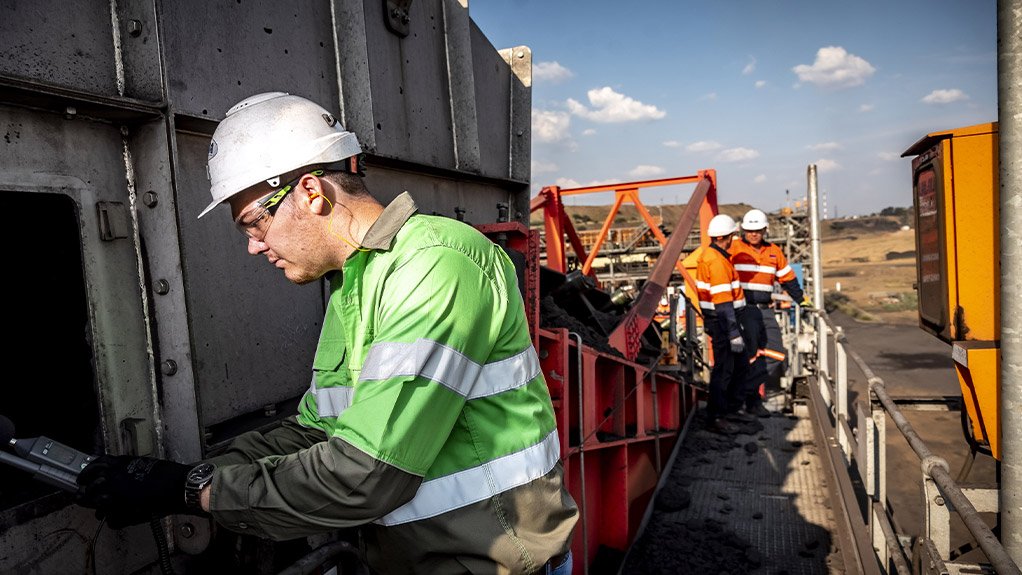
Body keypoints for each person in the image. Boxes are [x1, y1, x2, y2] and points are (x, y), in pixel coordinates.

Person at [76, 92, 578, 574]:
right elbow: (317, 430)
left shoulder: (436, 264)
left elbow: (368, 474)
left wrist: (194, 491)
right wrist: (183, 472)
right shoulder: (353, 286)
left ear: (311, 192)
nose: (254, 247)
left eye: (255, 224)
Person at [730, 208, 810, 414]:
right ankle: (752, 402)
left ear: (765, 229)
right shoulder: (734, 248)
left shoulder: (774, 252)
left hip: (765, 311)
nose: (753, 234)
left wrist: (804, 301)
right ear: (743, 230)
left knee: (776, 353)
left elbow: (789, 280)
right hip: (743, 310)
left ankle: (742, 391)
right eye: (749, 230)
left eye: (757, 230)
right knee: (748, 355)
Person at [695, 214, 750, 433]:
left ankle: (728, 411)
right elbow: (723, 302)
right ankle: (716, 417)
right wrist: (734, 333)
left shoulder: (711, 255)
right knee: (724, 370)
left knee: (738, 366)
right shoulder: (717, 262)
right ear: (727, 237)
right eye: (733, 236)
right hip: (723, 323)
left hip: (721, 321)